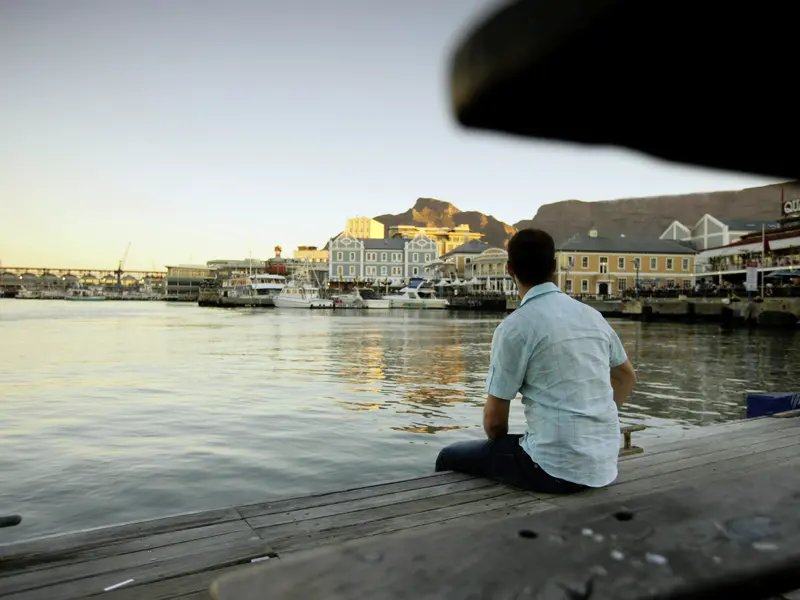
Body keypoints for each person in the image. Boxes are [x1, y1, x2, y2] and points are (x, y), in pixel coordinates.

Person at [435, 229, 637, 493]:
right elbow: (626, 377)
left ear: (509, 269)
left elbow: (495, 424)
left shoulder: (515, 327)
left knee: (448, 456)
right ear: (554, 266)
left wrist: (498, 446)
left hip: (552, 470)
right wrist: (592, 417)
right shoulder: (592, 316)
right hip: (604, 466)